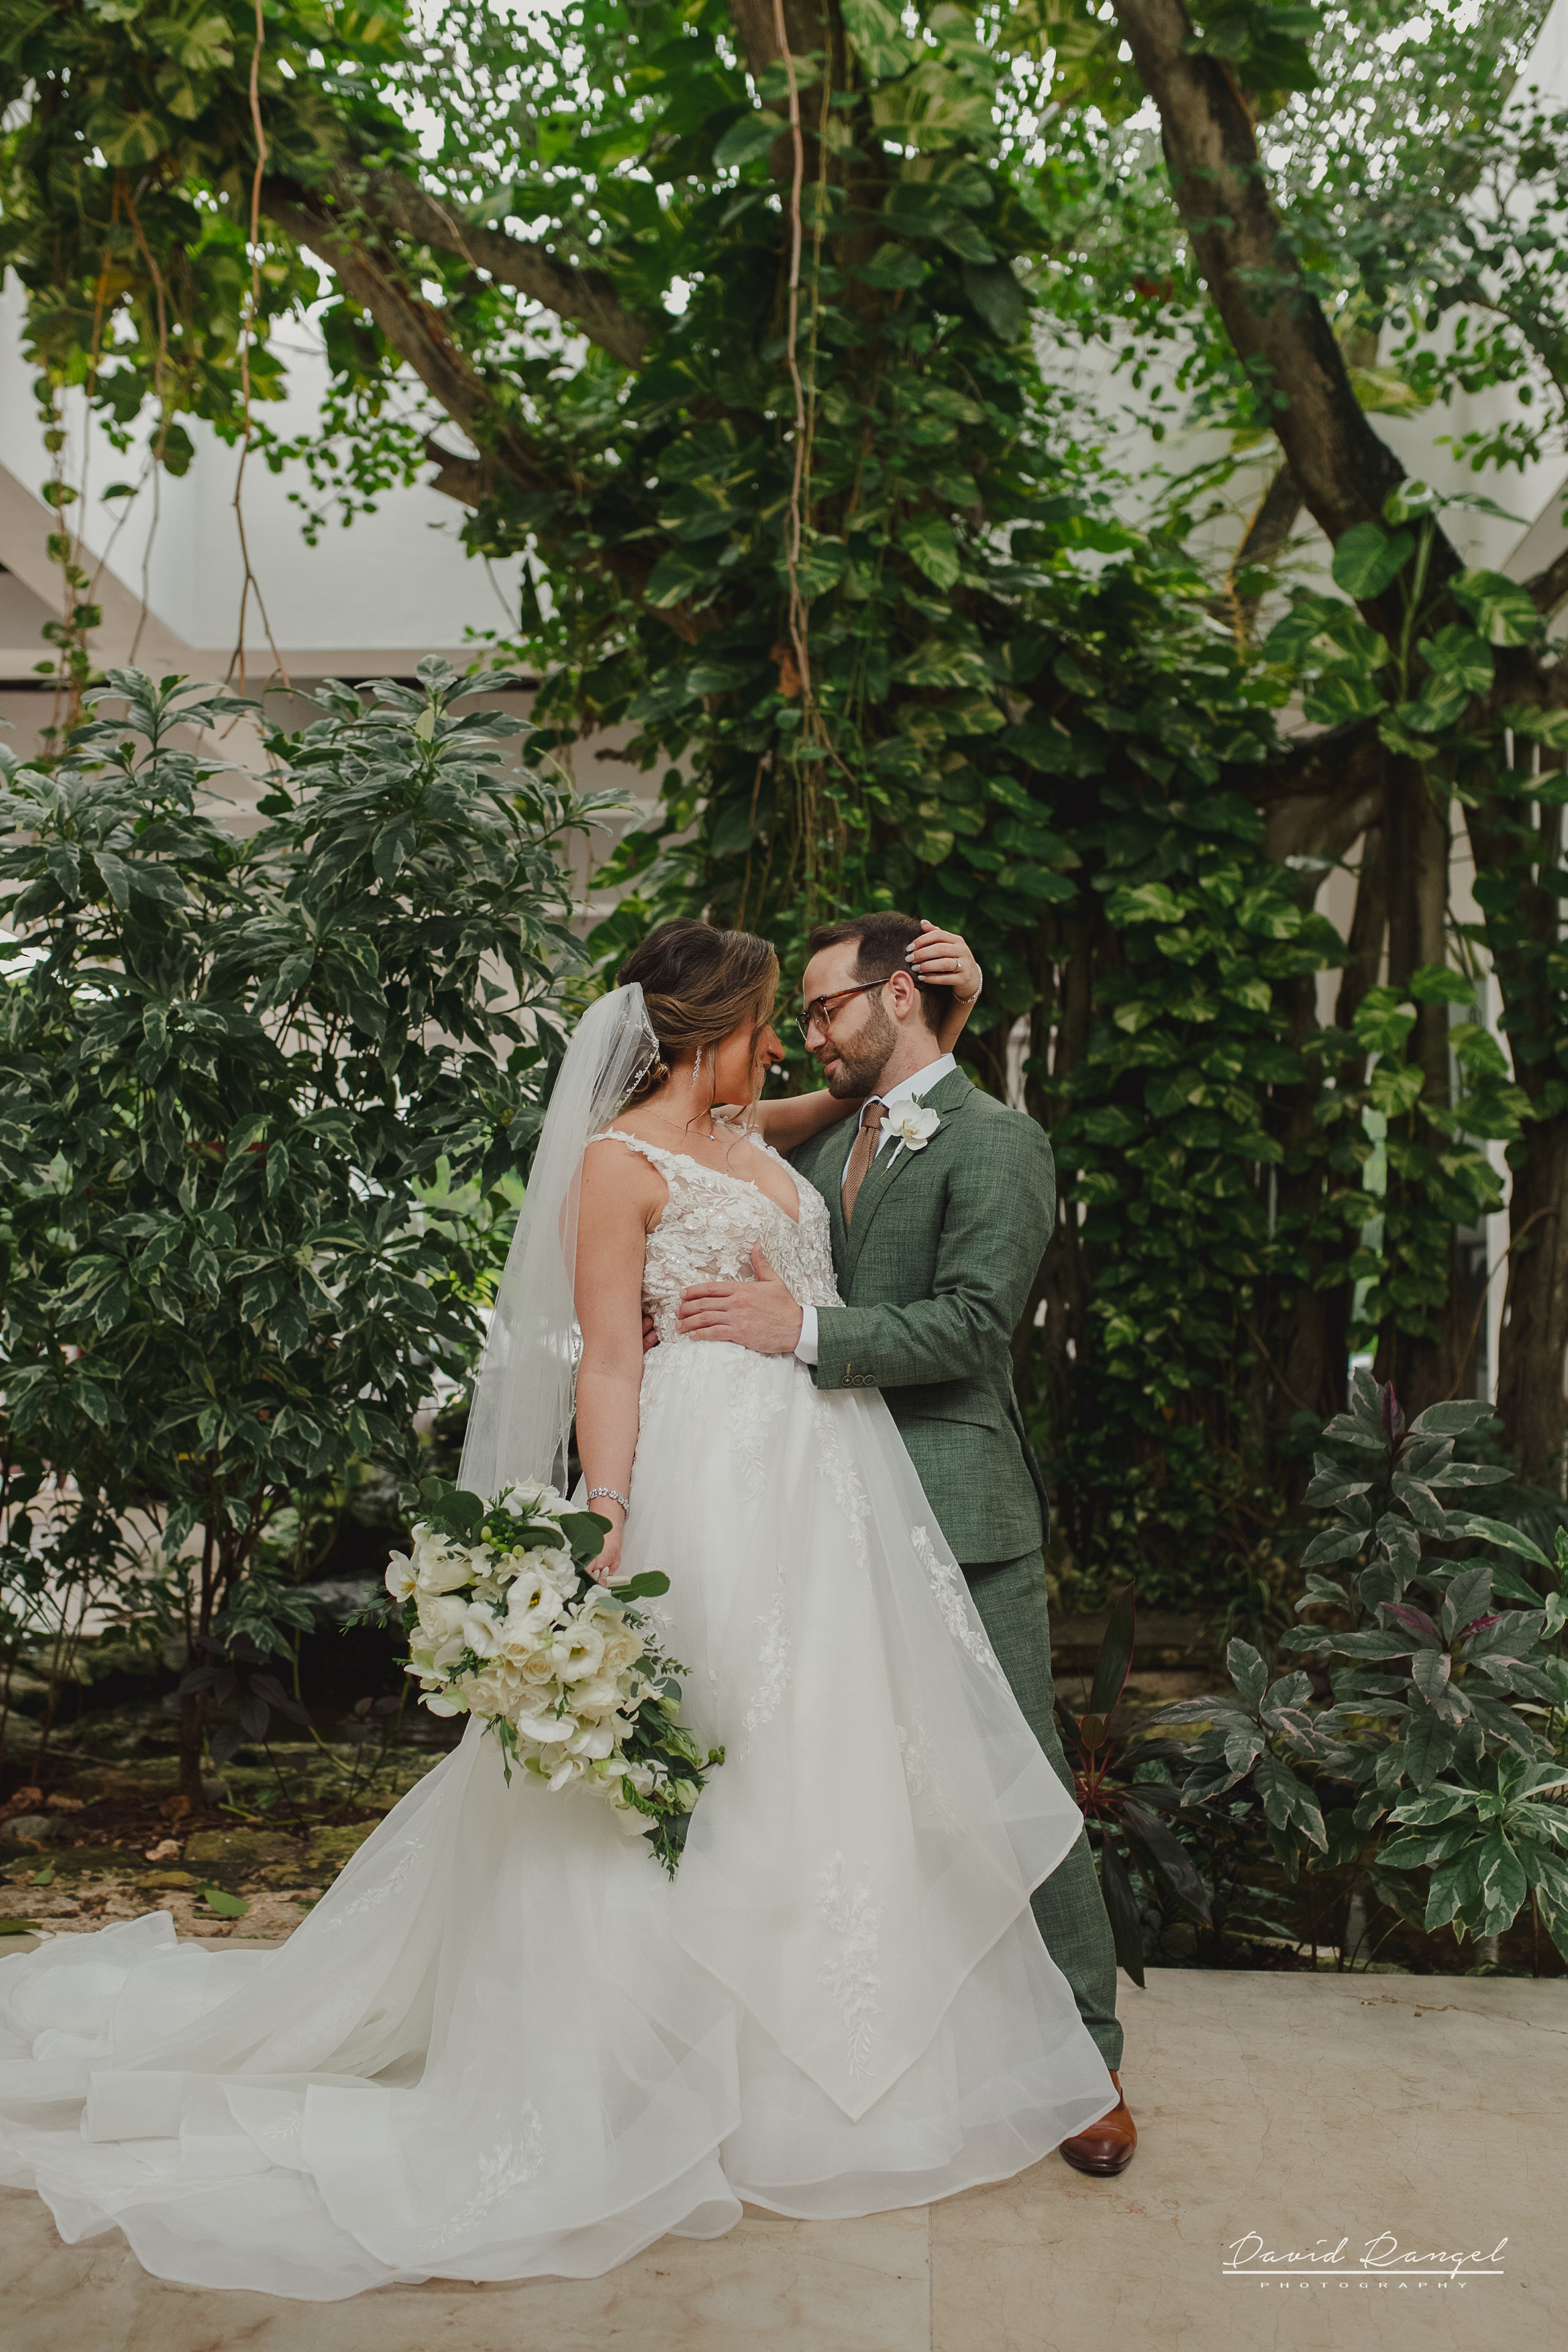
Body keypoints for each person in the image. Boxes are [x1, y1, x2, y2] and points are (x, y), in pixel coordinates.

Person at [0, 919, 1118, 2299]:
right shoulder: (620, 1160)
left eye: (806, 1016)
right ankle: (675, 2065)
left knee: (830, 1759)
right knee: (703, 1752)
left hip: (827, 1486)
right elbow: (606, 1360)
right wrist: (604, 1507)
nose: (788, 1040)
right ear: (710, 1027)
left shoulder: (763, 1123)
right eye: (770, 1017)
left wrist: (946, 1009)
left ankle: (892, 2045)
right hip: (712, 1472)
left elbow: (873, 1091)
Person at [673, 911, 1136, 2178]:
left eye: (824, 1009)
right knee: (850, 1791)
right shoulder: (826, 1145)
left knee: (1007, 1781)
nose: (806, 1036)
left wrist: (803, 1334)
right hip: (817, 1519)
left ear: (897, 996)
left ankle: (1087, 2061)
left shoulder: (996, 1143)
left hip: (953, 1510)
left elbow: (973, 1326)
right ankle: (926, 2046)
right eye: (806, 1015)